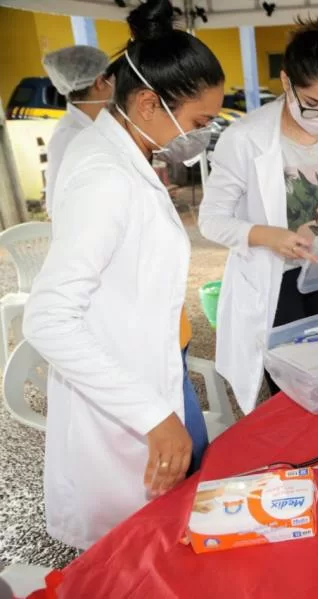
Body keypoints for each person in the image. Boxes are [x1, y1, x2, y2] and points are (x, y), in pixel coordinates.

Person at [22, 0, 223, 550]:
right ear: (147, 101)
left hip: (147, 373)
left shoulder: (127, 158)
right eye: (199, 122)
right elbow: (48, 318)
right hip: (120, 406)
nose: (201, 136)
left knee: (157, 541)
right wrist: (153, 415)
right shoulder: (103, 174)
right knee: (128, 558)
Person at [198, 15, 318, 415]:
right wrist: (269, 235)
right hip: (276, 285)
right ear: (286, 83)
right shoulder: (245, 139)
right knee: (291, 394)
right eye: (313, 105)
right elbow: (210, 218)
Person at [41, 45, 114, 218]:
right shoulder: (69, 134)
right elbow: (55, 203)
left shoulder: (96, 124)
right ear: (99, 82)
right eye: (111, 77)